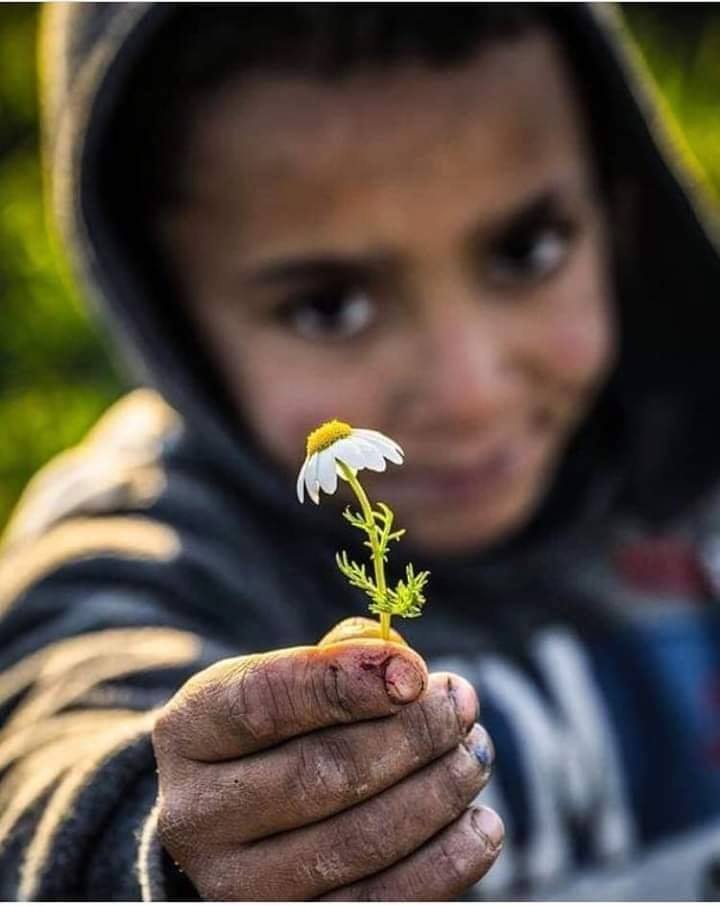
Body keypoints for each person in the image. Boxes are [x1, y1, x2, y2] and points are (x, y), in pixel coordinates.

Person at [1, 2, 720, 899]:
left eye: (527, 250)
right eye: (330, 306)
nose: (469, 392)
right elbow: (51, 745)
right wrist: (168, 845)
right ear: (171, 319)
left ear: (617, 211)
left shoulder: (692, 454)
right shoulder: (152, 549)